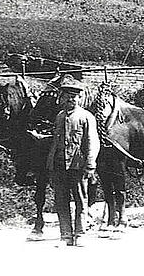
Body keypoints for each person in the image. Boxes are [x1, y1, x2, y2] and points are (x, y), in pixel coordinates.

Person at [46, 77, 99, 246]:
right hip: (60, 165)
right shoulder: (60, 116)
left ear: (79, 98)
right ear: (62, 98)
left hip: (78, 165)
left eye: (74, 97)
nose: (71, 99)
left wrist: (90, 164)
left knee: (80, 200)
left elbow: (92, 142)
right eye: (67, 96)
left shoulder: (86, 117)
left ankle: (80, 234)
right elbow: (55, 142)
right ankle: (66, 235)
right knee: (61, 201)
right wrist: (50, 164)